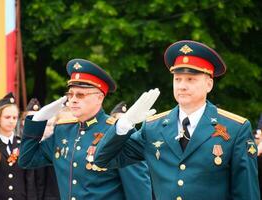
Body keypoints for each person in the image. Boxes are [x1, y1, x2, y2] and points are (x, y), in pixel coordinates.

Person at [95, 40, 260, 200]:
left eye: (190, 79)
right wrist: (125, 123)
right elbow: (104, 159)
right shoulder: (153, 127)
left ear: (209, 84)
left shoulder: (236, 128)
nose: (182, 85)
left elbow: (246, 193)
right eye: (178, 79)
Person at [18, 58, 152, 200]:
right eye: (70, 94)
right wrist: (37, 121)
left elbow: (138, 189)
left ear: (99, 98)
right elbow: (27, 159)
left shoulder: (118, 131)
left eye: (80, 95)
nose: (73, 99)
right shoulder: (63, 131)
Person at [0, 92, 36, 200]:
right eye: (7, 117)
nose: (11, 121)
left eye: (14, 117)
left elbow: (30, 181)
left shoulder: (23, 145)